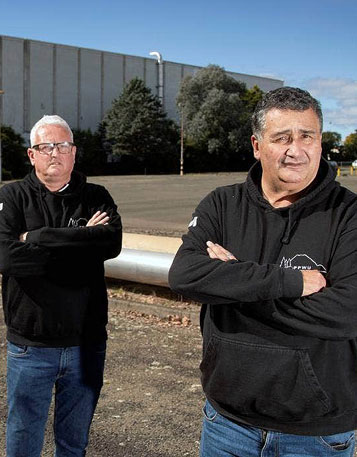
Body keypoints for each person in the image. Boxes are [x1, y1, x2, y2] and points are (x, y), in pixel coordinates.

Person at [169, 87, 357, 456]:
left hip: (316, 433)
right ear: (257, 146)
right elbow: (184, 274)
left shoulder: (349, 214)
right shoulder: (222, 205)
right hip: (227, 423)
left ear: (321, 142)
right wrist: (288, 282)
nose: (296, 150)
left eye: (307, 136)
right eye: (282, 138)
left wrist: (232, 284)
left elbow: (348, 311)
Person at [0, 115, 122, 457]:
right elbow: (8, 259)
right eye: (45, 146)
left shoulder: (96, 196)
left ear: (74, 152)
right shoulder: (11, 197)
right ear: (31, 154)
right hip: (31, 346)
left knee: (74, 442)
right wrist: (82, 241)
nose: (54, 153)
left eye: (62, 146)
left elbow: (111, 244)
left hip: (86, 344)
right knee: (23, 438)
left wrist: (35, 238)